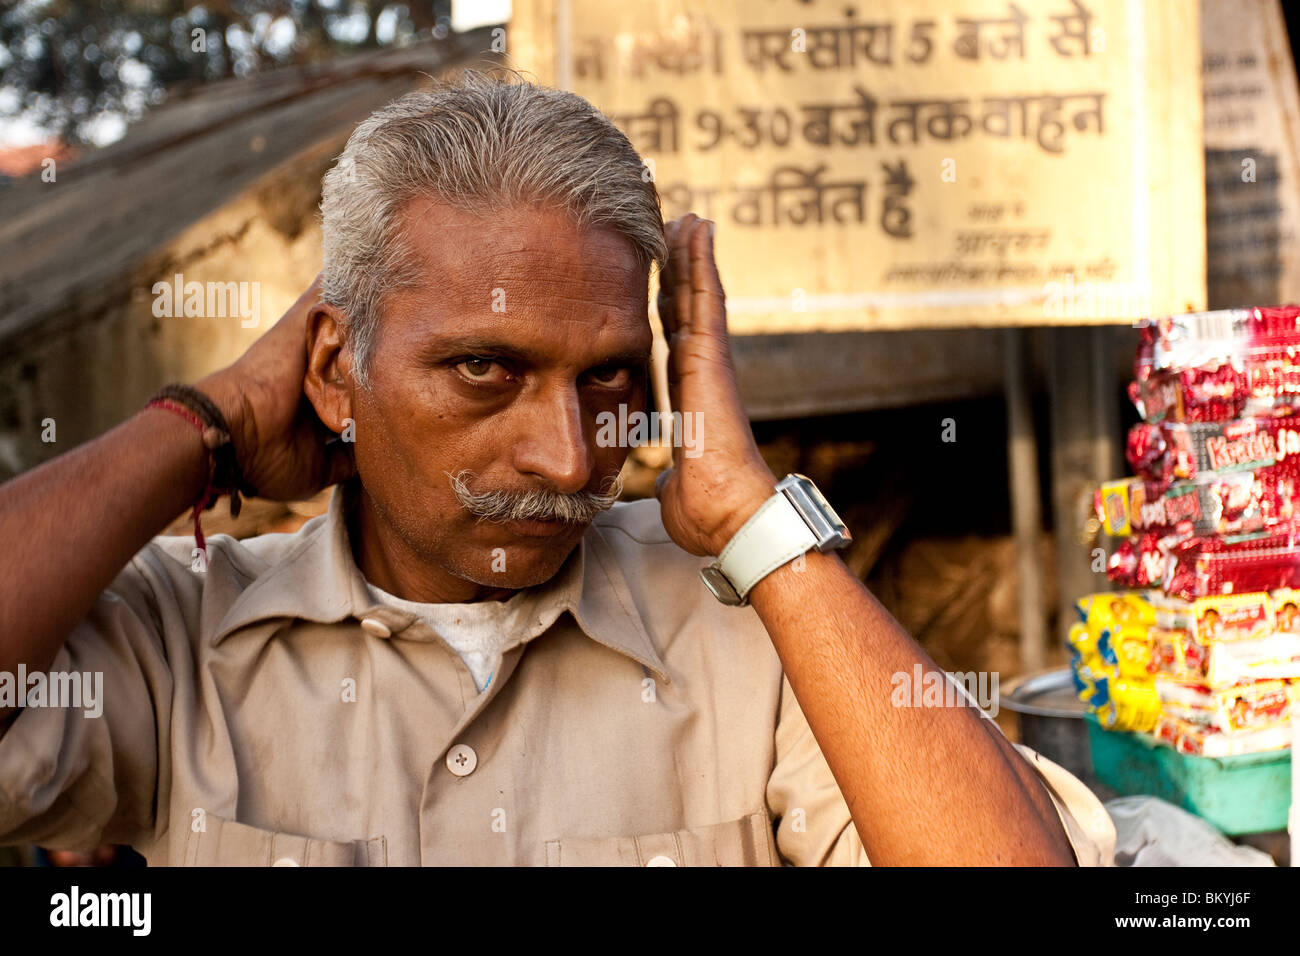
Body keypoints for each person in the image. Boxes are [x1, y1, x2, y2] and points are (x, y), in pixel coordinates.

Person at [0, 72, 1113, 866]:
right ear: (336, 367)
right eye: (485, 367)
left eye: (613, 379)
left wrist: (754, 518)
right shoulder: (178, 641)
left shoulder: (753, 630)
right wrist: (205, 417)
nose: (570, 455)